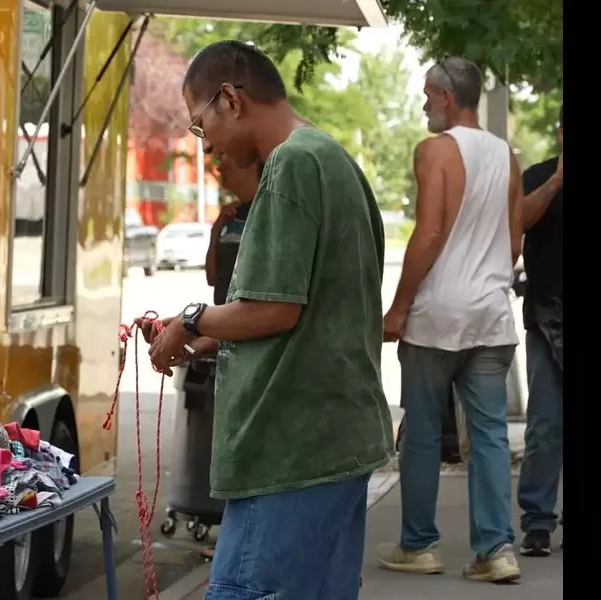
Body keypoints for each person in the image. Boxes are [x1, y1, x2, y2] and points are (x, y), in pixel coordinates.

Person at [142, 41, 393, 599]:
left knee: (246, 588)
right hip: (337, 444)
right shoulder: (333, 159)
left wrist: (190, 320)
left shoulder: (291, 162)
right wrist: (204, 339)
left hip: (292, 451)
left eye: (201, 126)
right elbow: (315, 312)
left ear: (230, 99)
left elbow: (276, 310)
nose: (206, 143)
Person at [377, 57, 524, 582]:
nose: (423, 105)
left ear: (444, 95)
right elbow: (512, 242)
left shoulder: (435, 150)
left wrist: (397, 307)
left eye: (426, 95)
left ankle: (418, 546)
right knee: (487, 435)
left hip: (437, 314)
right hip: (490, 314)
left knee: (420, 431)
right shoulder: (505, 156)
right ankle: (496, 550)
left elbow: (430, 233)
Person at [516, 105, 563, 557]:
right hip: (547, 322)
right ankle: (538, 522)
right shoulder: (539, 176)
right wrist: (557, 180)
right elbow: (518, 223)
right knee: (546, 426)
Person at [204, 158, 260, 305]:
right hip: (225, 318)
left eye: (226, 156)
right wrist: (215, 231)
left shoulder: (268, 214)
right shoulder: (229, 216)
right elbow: (213, 278)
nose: (219, 168)